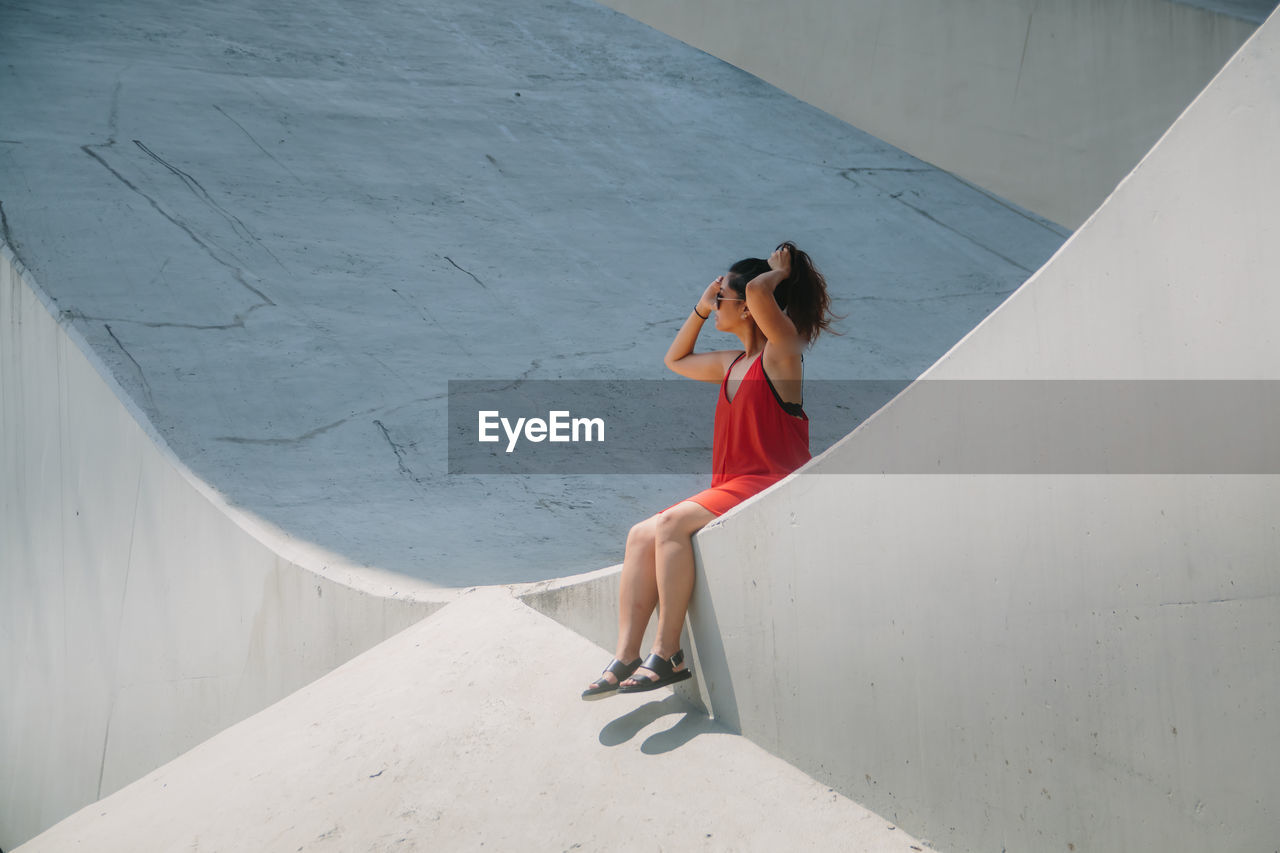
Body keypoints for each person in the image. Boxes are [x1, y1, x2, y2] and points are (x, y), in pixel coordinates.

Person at [582, 242, 836, 698]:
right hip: (733, 484)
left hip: (770, 482)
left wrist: (776, 274)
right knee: (640, 535)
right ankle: (626, 656)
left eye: (721, 298)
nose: (715, 303)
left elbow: (758, 293)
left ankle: (668, 652)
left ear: (748, 307)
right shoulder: (731, 363)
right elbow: (675, 360)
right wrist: (700, 310)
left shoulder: (781, 356)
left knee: (671, 524)